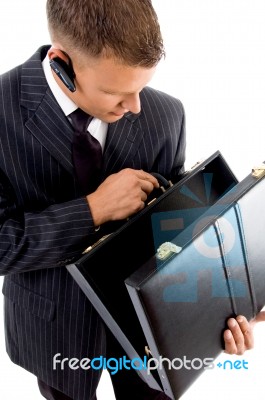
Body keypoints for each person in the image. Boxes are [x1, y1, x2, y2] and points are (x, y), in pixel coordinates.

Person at [0, 1, 264, 399]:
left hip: (154, 332)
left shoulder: (167, 113)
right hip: (53, 327)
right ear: (61, 64)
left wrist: (228, 299)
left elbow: (179, 234)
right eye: (115, 92)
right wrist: (92, 210)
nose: (136, 106)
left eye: (140, 86)